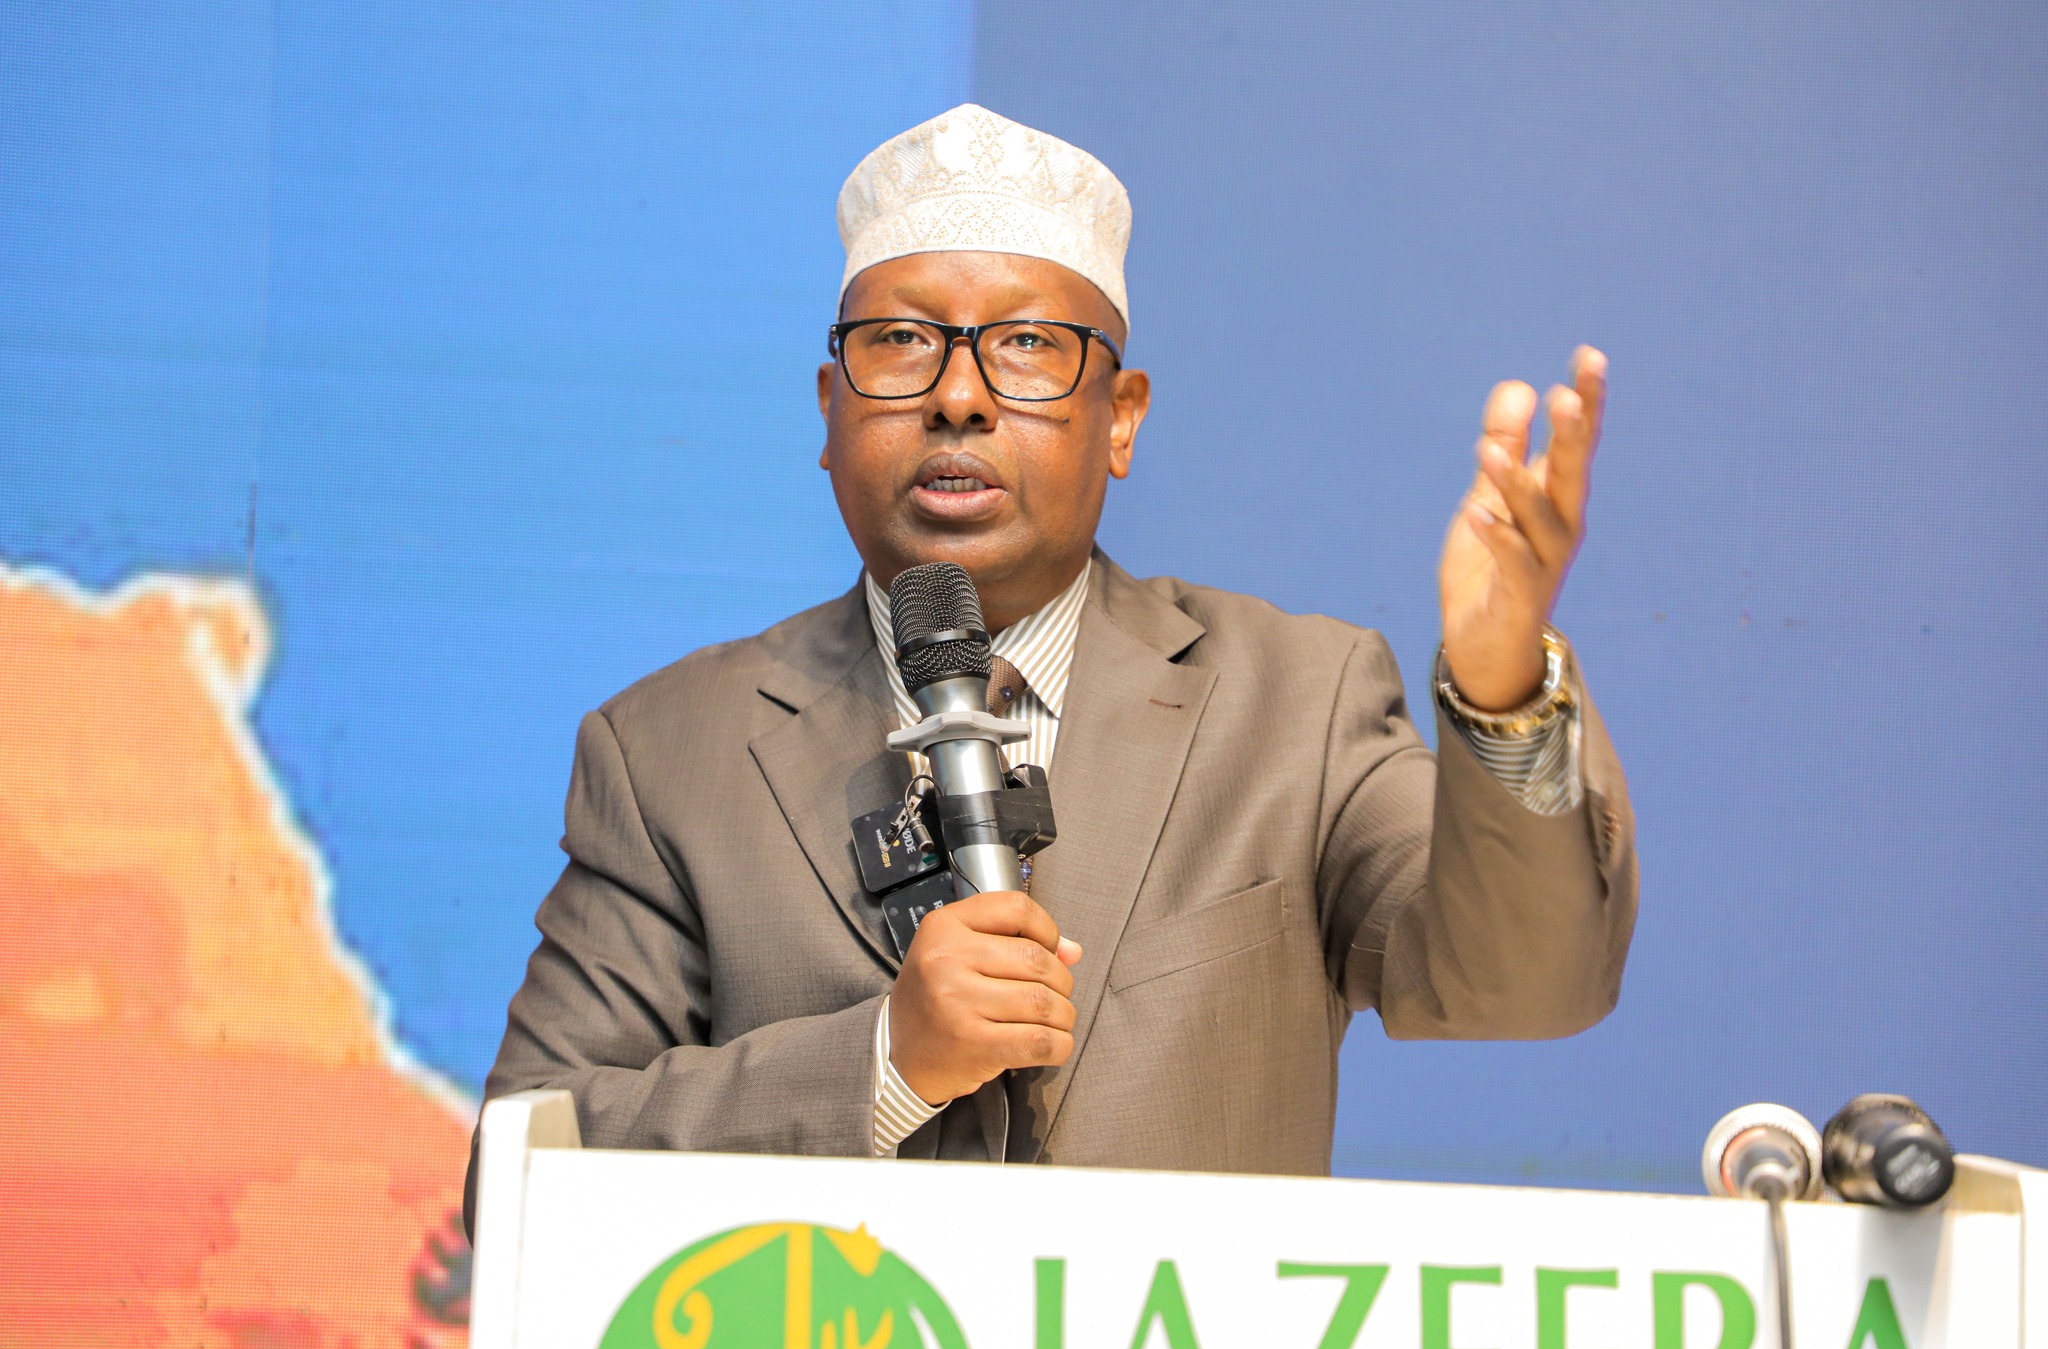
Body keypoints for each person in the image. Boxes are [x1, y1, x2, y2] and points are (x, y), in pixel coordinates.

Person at [466, 104, 1637, 1229]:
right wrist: (882, 1063)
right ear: (827, 412)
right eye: (901, 343)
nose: (957, 398)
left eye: (1025, 346)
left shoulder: (1296, 702)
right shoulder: (671, 753)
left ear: (1119, 417)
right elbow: (521, 1179)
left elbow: (1523, 982)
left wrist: (1500, 692)